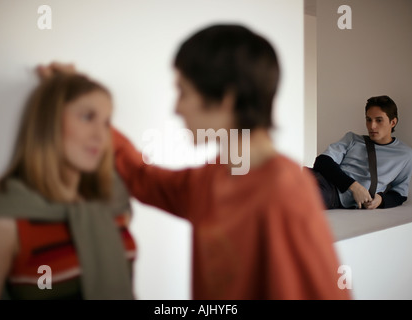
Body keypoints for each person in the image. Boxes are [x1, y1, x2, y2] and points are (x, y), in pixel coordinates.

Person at [39, 24, 349, 299]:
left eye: (183, 92)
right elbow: (141, 177)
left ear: (226, 98)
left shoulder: (285, 191)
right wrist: (82, 98)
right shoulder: (212, 178)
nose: (176, 108)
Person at [0, 72, 136, 299]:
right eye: (87, 117)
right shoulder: (7, 225)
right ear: (48, 122)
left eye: (107, 122)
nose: (101, 136)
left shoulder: (112, 206)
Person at [309, 95, 412, 210]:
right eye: (368, 120)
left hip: (331, 194)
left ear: (393, 122)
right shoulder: (352, 139)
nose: (372, 126)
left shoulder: (405, 155)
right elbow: (322, 161)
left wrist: (381, 200)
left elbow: (400, 194)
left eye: (379, 120)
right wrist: (354, 187)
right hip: (319, 179)